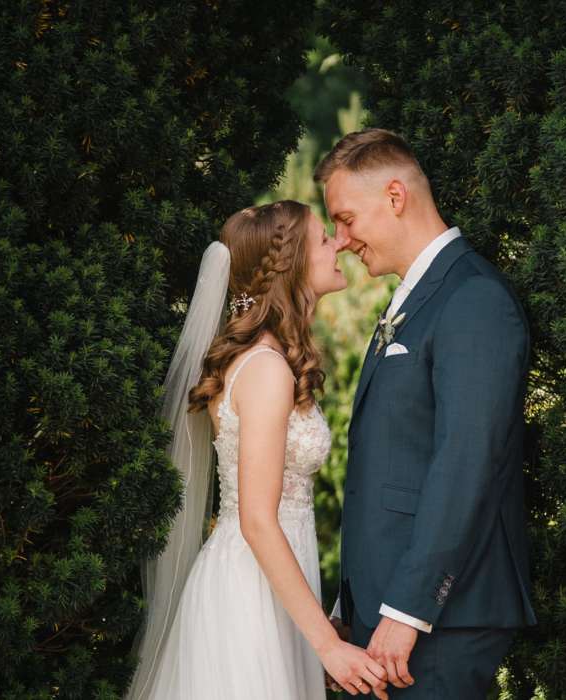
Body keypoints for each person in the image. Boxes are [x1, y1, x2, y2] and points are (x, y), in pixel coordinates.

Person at [125, 200, 389, 699]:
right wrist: (328, 647)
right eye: (323, 239)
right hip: (249, 594)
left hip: (275, 585)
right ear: (291, 264)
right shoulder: (266, 368)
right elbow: (257, 520)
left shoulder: (266, 359)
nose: (339, 244)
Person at [315, 128, 537, 698]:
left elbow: (467, 463)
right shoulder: (418, 296)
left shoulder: (473, 298)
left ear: (395, 196)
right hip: (387, 608)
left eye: (346, 219)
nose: (342, 240)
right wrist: (352, 602)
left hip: (440, 619)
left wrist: (409, 610)